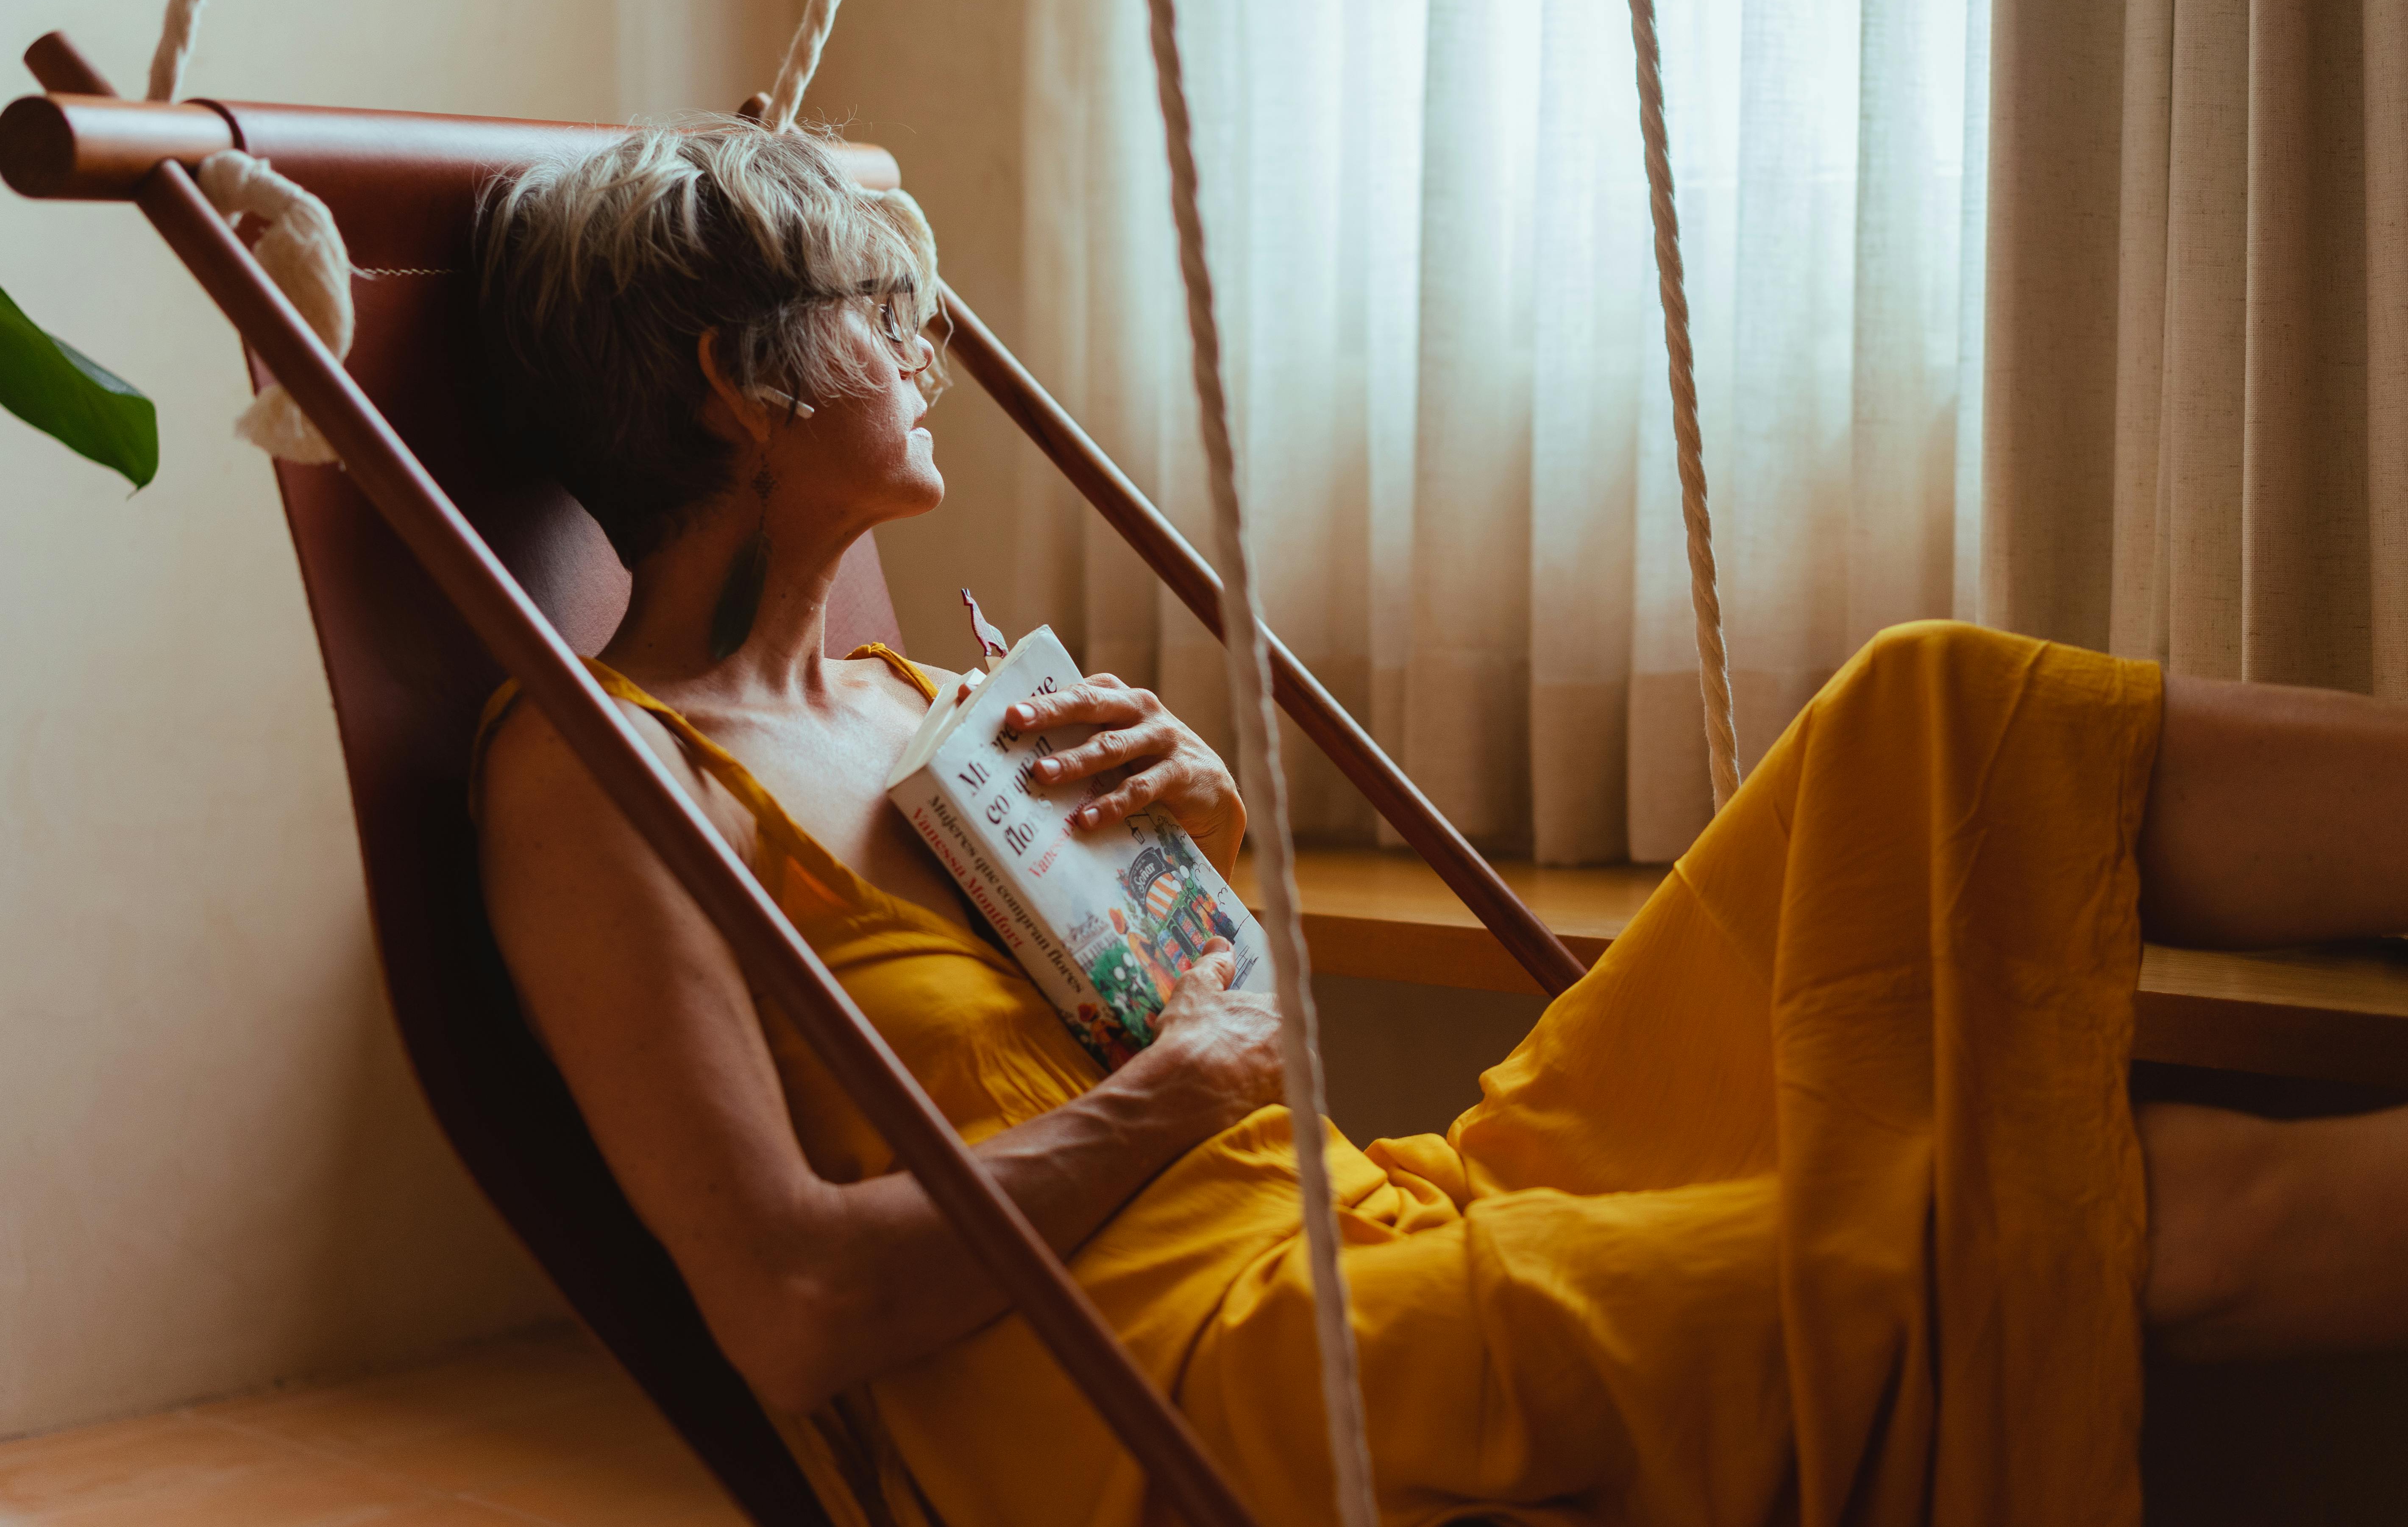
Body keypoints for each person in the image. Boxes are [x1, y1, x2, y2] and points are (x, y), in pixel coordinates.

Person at [469, 123, 2408, 1527]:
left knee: (1926, 711)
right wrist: (1187, 1082)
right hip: (1205, 1386)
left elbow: (1159, 1037)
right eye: (874, 310)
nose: (920, 350)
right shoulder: (595, 778)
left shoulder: (917, 707)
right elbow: (794, 1306)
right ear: (739, 384)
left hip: (1384, 1209)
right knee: (1951, 1226)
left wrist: (1194, 857)